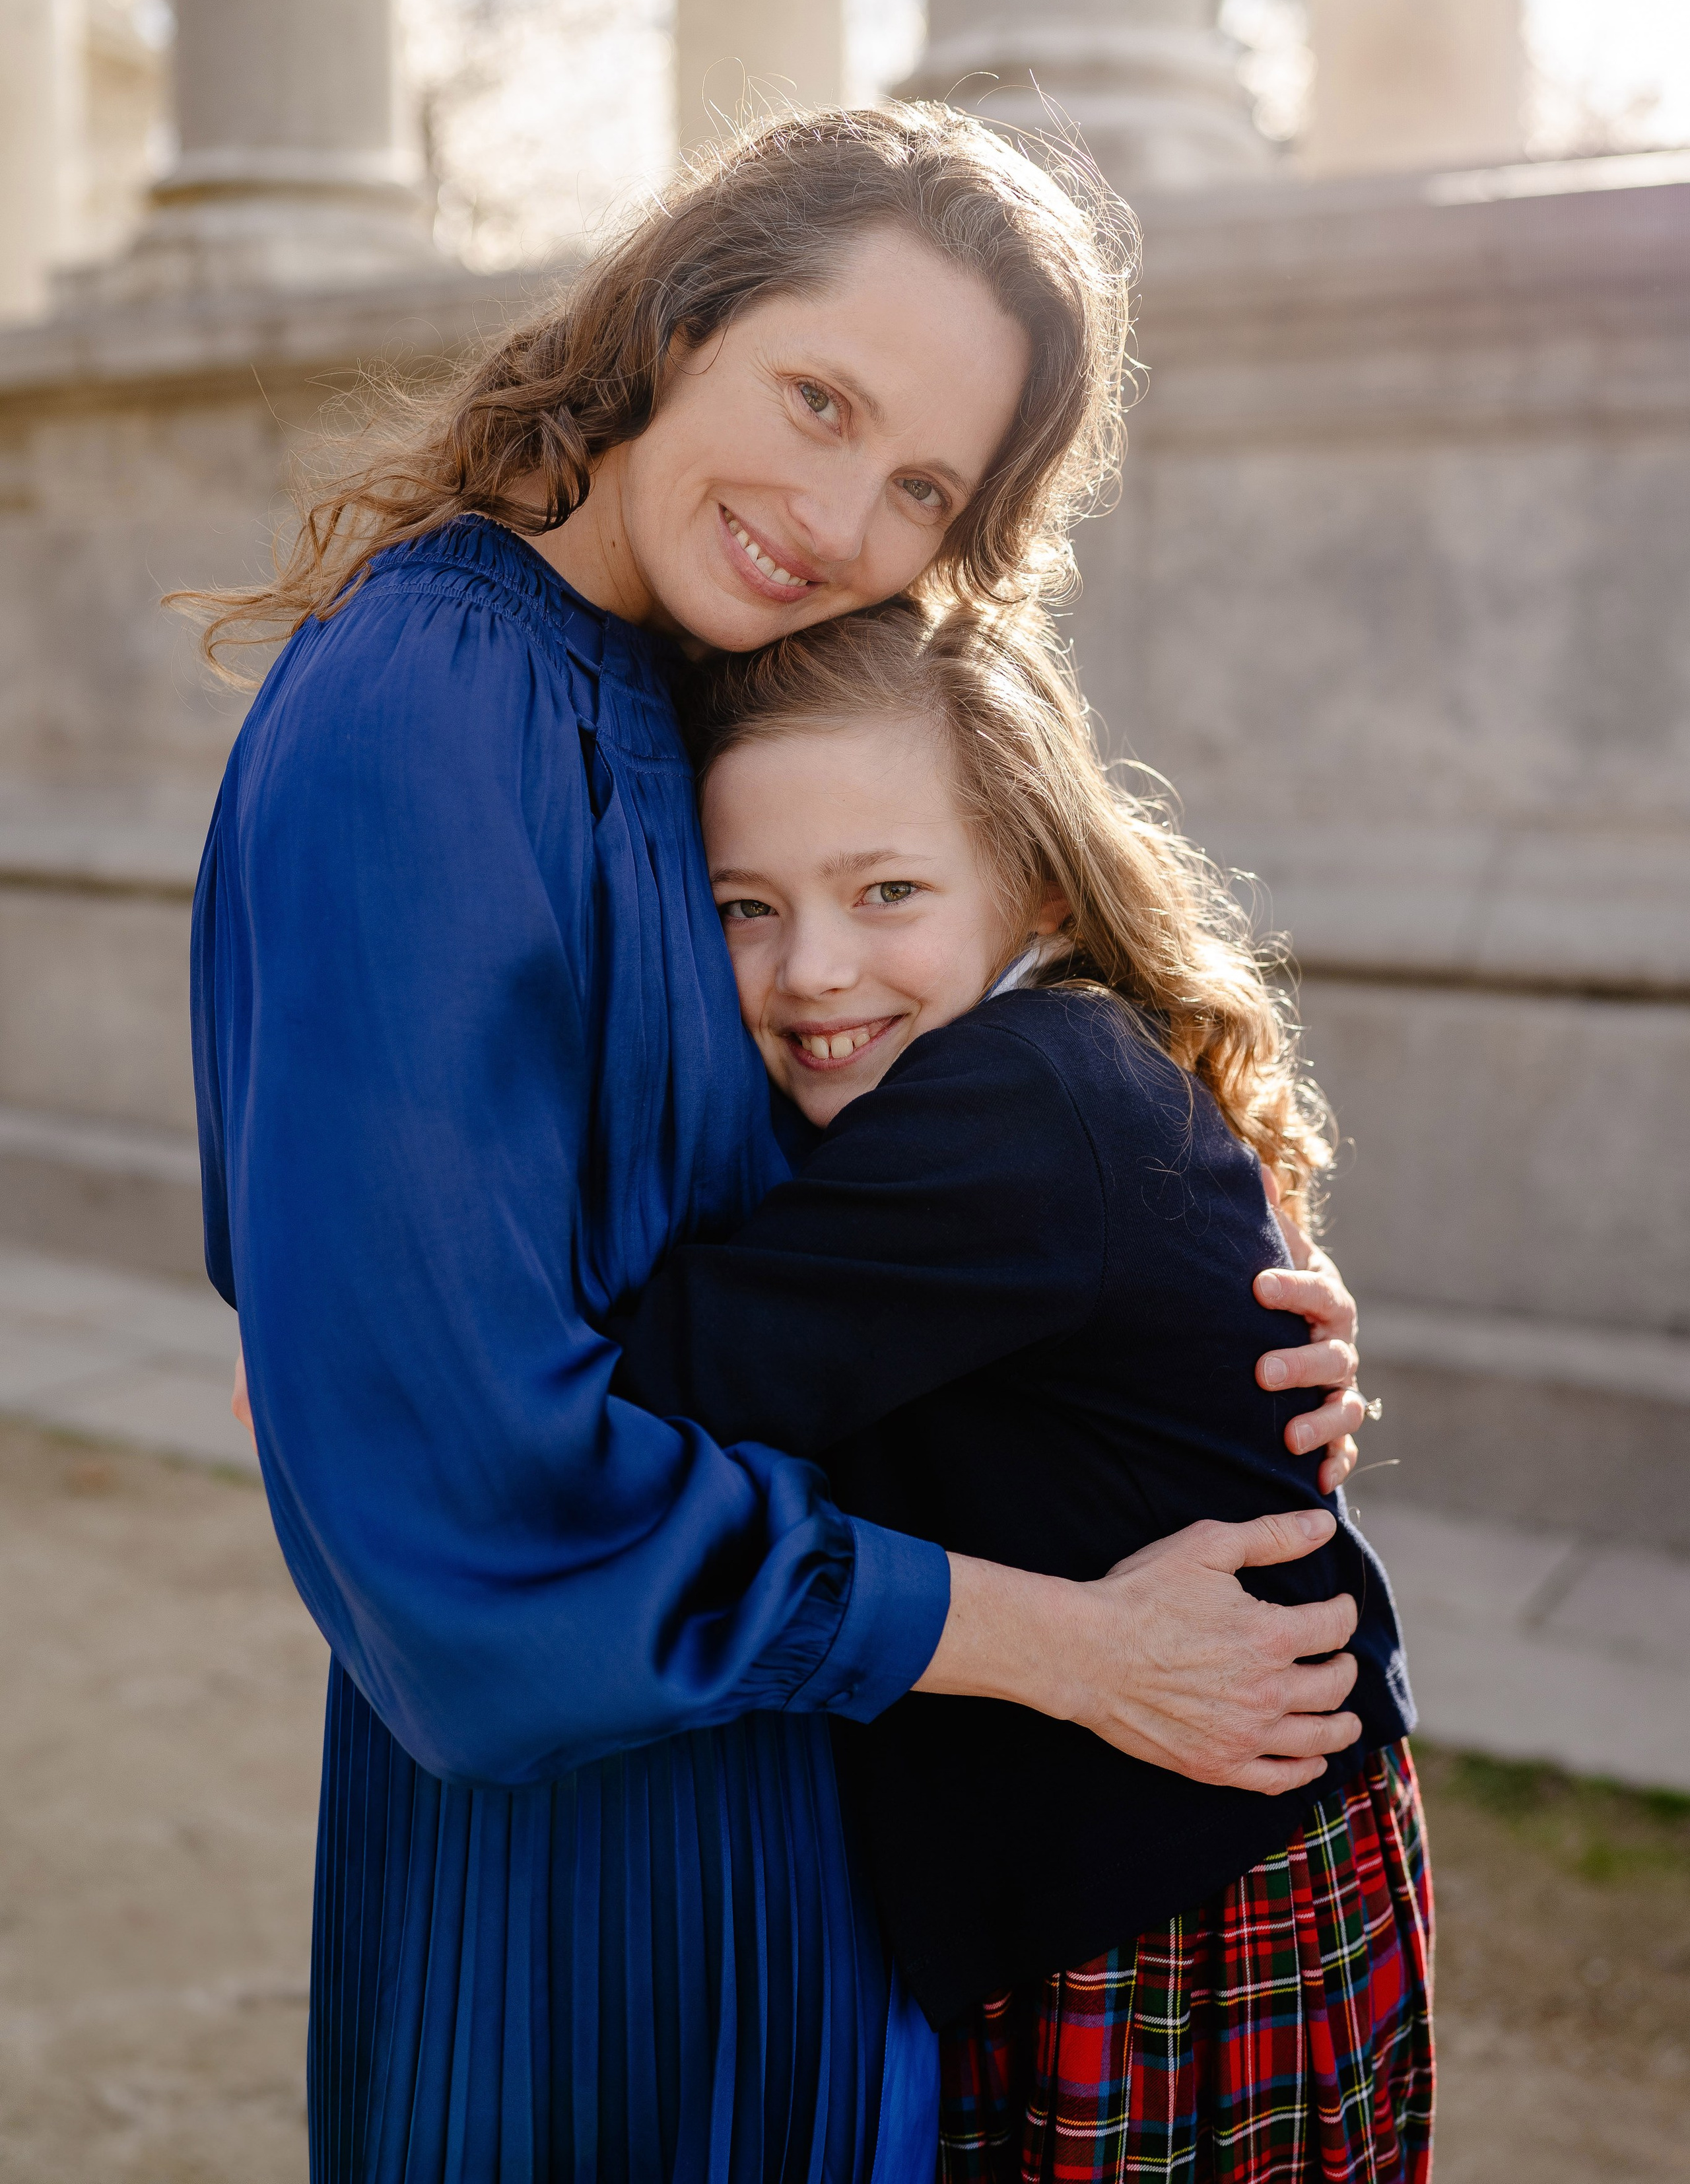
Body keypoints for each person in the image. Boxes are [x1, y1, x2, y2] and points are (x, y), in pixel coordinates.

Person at [183, 105, 1374, 2184]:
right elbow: (459, 1492)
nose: (838, 516)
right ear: (677, 318)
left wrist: (1208, 1276)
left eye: (922, 484)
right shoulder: (427, 711)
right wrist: (1077, 1645)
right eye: (816, 400)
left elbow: (884, 1158)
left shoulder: (686, 692)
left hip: (821, 1810)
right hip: (591, 1862)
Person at [610, 597, 1433, 2184]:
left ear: (1035, 878)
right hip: (1212, 1844)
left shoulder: (1009, 1096)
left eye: (886, 890)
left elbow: (655, 1386)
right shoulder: (1058, 1058)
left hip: (1162, 1906)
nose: (812, 968)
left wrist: (365, 1326)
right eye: (741, 909)